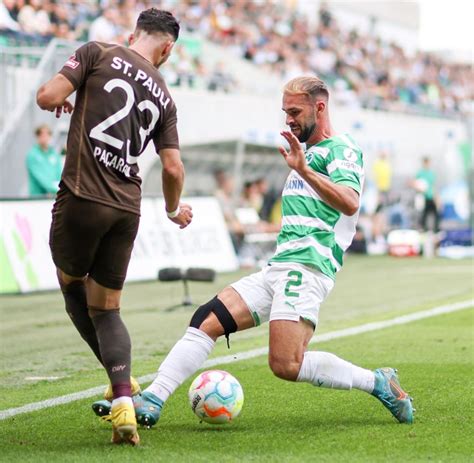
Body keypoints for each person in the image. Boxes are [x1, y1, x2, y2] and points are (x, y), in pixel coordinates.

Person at [93, 76, 415, 427]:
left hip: (307, 268)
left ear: (320, 107)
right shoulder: (304, 155)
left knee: (286, 364)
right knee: (206, 320)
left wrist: (304, 171)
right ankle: (153, 399)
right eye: (285, 112)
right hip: (279, 267)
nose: (288, 119)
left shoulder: (342, 150)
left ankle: (378, 382)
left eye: (295, 111)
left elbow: (351, 202)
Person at [36, 8, 193, 445]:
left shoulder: (97, 53)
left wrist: (65, 95)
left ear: (133, 35)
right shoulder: (165, 96)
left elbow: (47, 98)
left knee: (71, 285)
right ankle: (124, 398)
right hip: (128, 208)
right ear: (167, 48)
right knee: (107, 307)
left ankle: (117, 384)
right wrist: (173, 208)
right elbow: (174, 166)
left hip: (83, 196)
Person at [26, 124, 63, 197]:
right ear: (37, 137)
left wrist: (60, 188)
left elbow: (59, 172)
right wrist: (55, 189)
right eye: (42, 135)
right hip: (38, 197)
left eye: (47, 135)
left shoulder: (54, 154)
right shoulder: (32, 155)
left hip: (54, 197)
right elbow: (40, 177)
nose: (44, 138)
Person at [414, 157, 439, 232]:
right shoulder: (420, 173)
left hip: (431, 196)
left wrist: (436, 198)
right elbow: (416, 184)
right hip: (423, 197)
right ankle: (423, 230)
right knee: (424, 215)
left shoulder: (431, 174)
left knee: (435, 214)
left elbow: (433, 186)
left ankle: (435, 230)